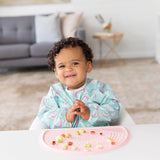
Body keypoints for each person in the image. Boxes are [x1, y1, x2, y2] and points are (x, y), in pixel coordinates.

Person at [34, 37, 122, 129]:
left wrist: (90, 113)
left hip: (96, 137)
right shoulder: (55, 92)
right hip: (65, 139)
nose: (68, 69)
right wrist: (66, 116)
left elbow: (115, 109)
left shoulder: (99, 88)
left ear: (88, 66)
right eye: (62, 66)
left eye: (75, 63)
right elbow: (44, 114)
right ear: (56, 73)